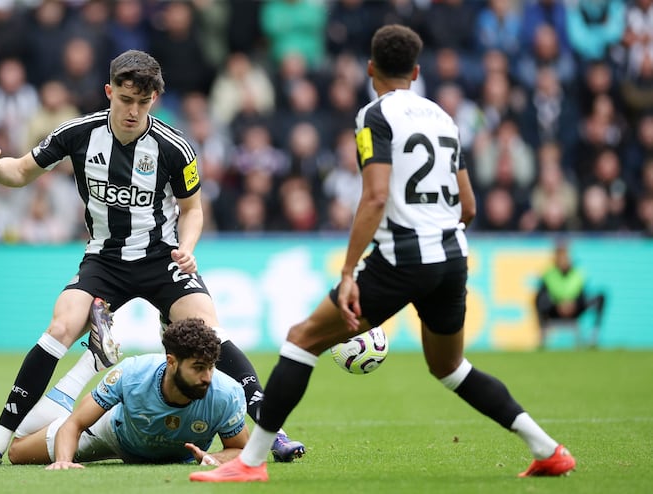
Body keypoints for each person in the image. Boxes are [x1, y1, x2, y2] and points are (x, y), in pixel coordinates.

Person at [190, 25, 576, 483]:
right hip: (452, 255)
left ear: (370, 68)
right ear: (416, 71)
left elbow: (374, 197)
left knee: (301, 340)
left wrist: (350, 271)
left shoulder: (375, 116)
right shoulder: (444, 119)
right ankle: (547, 448)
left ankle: (250, 464)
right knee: (450, 367)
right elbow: (468, 205)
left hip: (404, 255)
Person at [0, 49, 304, 467]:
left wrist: (188, 249)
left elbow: (193, 210)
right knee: (61, 326)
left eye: (143, 102)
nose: (132, 111)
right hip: (104, 259)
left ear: (154, 99)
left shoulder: (174, 147)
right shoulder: (77, 133)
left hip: (162, 257)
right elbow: (19, 172)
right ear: (109, 92)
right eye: (125, 100)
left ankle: (273, 432)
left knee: (208, 331)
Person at [7, 318, 248, 468]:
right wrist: (63, 462)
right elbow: (75, 424)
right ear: (171, 362)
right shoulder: (133, 374)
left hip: (172, 454)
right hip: (113, 433)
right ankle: (88, 365)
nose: (207, 377)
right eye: (198, 368)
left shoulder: (227, 393)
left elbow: (239, 450)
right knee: (18, 452)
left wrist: (214, 457)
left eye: (211, 366)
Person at [535, 240, 606, 348]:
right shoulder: (549, 273)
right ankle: (542, 334)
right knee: (539, 298)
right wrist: (559, 305)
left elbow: (582, 293)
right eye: (561, 257)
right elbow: (545, 294)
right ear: (556, 258)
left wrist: (573, 304)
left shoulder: (578, 272)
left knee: (601, 297)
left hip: (575, 308)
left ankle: (594, 337)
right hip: (555, 309)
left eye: (566, 257)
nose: (564, 260)